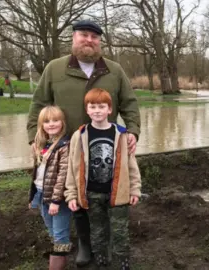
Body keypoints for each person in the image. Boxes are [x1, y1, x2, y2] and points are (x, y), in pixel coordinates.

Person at [26, 20, 141, 266]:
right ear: (74, 38)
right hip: (67, 147)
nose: (89, 40)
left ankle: (107, 243)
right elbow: (38, 105)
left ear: (100, 41)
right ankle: (85, 246)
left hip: (105, 145)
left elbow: (129, 103)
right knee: (77, 194)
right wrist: (32, 138)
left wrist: (132, 131)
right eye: (84, 35)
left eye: (94, 37)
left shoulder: (114, 70)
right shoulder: (55, 69)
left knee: (105, 192)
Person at [64, 88, 141, 269]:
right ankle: (102, 261)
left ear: (109, 109)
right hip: (91, 194)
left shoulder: (121, 134)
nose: (97, 110)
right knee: (98, 231)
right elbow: (72, 167)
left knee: (120, 230)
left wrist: (135, 188)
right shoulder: (80, 135)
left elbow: (131, 164)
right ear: (87, 110)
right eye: (93, 106)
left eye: (101, 106)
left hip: (118, 194)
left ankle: (123, 262)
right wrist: (71, 194)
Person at [28, 106, 72, 270]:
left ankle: (56, 263)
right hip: (42, 193)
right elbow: (37, 175)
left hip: (57, 198)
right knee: (52, 231)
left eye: (55, 120)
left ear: (62, 123)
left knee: (60, 234)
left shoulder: (64, 145)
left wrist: (56, 200)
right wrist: (33, 196)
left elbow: (62, 176)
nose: (51, 124)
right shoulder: (42, 145)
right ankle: (61, 255)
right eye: (47, 121)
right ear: (41, 124)